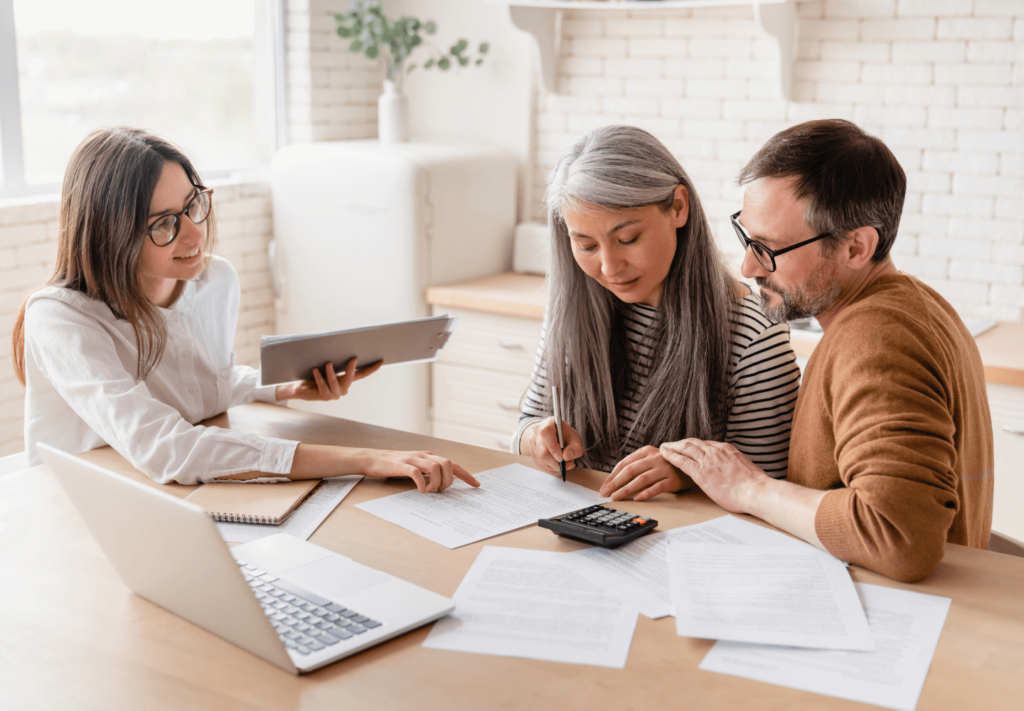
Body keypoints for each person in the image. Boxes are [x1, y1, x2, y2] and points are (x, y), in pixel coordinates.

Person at [13, 127, 478, 492]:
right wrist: (364, 459)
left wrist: (283, 388)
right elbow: (166, 447)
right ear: (108, 233)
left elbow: (197, 391)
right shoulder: (61, 319)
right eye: (165, 225)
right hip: (78, 504)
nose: (194, 234)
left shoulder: (214, 281)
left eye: (193, 205)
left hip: (168, 494)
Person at [660, 119, 994, 583]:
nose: (748, 265)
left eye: (769, 248)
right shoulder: (919, 304)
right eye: (746, 237)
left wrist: (750, 487)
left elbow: (899, 537)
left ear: (856, 247)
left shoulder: (875, 338)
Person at [514, 125, 801, 500]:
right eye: (585, 245)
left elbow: (769, 488)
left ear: (678, 207)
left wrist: (688, 473)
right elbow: (524, 426)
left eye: (628, 239)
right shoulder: (572, 308)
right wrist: (537, 438)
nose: (609, 267)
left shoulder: (753, 335)